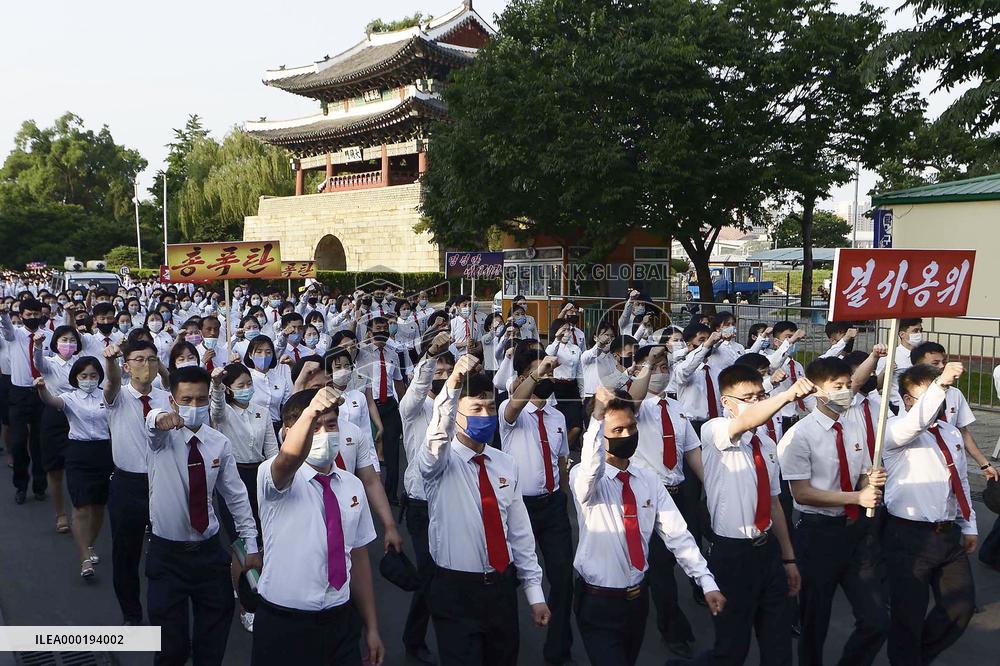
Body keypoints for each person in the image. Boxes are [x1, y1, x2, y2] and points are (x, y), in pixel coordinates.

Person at [572, 386, 724, 666]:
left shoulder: (648, 479)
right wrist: (596, 417)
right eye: (617, 430)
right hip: (598, 602)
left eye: (631, 427)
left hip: (637, 600)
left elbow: (677, 533)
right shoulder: (583, 478)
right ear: (597, 435)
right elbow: (591, 470)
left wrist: (705, 581)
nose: (627, 435)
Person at [418, 354, 551, 665]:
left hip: (501, 589)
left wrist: (535, 594)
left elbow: (519, 531)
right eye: (475, 409)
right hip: (455, 589)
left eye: (490, 408)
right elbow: (436, 439)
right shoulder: (440, 462)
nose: (485, 415)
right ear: (456, 415)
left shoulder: (505, 463)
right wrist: (451, 388)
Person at [251, 387, 385, 664]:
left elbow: (357, 558)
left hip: (340, 620)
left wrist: (371, 627)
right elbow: (287, 459)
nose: (324, 434)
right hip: (284, 621)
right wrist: (311, 411)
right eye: (314, 427)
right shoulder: (274, 478)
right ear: (288, 432)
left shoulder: (352, 486)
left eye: (331, 425)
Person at [696, 364, 812, 666]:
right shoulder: (716, 430)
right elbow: (745, 420)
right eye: (749, 397)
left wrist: (788, 559)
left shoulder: (767, 444)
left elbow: (774, 503)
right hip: (733, 555)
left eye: (761, 395)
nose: (758, 402)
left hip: (767, 551)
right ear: (727, 402)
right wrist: (787, 395)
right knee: (732, 648)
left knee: (778, 645)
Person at [145, 365, 261, 666]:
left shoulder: (218, 443)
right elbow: (151, 424)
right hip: (167, 555)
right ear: (172, 401)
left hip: (208, 553)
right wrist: (158, 418)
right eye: (186, 400)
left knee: (212, 638)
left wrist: (251, 543)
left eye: (200, 400)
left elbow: (235, 496)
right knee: (171, 646)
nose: (193, 407)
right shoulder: (161, 439)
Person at [777, 356, 888, 665]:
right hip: (818, 536)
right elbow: (802, 493)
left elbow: (864, 472)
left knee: (877, 619)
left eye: (847, 385)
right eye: (837, 386)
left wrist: (871, 479)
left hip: (855, 534)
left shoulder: (854, 423)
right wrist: (857, 497)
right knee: (814, 622)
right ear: (816, 390)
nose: (845, 392)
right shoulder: (798, 436)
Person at [882, 362, 977, 665]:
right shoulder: (895, 431)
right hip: (908, 536)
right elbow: (915, 424)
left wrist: (969, 523)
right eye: (927, 396)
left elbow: (960, 480)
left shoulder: (951, 433)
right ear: (908, 401)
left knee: (961, 606)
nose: (938, 402)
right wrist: (943, 384)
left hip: (948, 534)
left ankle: (917, 657)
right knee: (907, 615)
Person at [627, 344, 704, 657]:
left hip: (680, 493)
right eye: (653, 367)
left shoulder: (676, 408)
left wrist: (710, 487)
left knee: (684, 553)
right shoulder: (635, 405)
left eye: (663, 366)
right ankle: (672, 630)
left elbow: (692, 452)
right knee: (660, 566)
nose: (661, 372)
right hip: (649, 497)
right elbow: (633, 399)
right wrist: (646, 367)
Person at [500, 350, 573, 665]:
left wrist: (562, 493)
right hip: (519, 509)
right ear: (520, 378)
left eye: (548, 371)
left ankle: (558, 650)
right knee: (508, 580)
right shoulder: (509, 410)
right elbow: (514, 408)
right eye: (537, 372)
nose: (546, 376)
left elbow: (561, 460)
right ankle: (503, 650)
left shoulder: (558, 416)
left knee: (563, 580)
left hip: (553, 506)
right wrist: (536, 373)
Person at [104, 340, 170, 625]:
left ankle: (166, 616)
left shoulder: (166, 398)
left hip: (164, 482)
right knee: (126, 554)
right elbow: (111, 384)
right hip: (128, 484)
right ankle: (131, 613)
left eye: (152, 360)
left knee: (167, 552)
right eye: (140, 360)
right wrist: (110, 362)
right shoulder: (118, 396)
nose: (147, 365)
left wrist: (162, 367)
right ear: (127, 366)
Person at [209, 362, 279, 632]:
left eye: (249, 384)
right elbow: (215, 407)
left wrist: (277, 479)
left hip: (260, 476)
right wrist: (215, 384)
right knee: (241, 540)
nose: (247, 389)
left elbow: (272, 451)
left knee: (261, 537)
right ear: (229, 389)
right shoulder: (223, 413)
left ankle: (256, 584)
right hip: (232, 477)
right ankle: (247, 606)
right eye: (240, 386)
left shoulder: (262, 412)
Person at [397, 331, 453, 664]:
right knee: (430, 571)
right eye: (437, 370)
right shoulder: (413, 409)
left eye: (448, 371)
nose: (442, 376)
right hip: (420, 502)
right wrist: (431, 354)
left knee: (450, 570)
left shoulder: (456, 406)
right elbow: (418, 388)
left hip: (451, 499)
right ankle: (414, 638)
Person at [36, 356, 114, 579]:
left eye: (93, 376)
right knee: (81, 507)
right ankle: (84, 558)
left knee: (98, 507)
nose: (89, 380)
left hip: (103, 452)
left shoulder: (106, 396)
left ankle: (89, 544)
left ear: (99, 377)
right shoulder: (69, 398)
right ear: (76, 378)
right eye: (84, 376)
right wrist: (41, 389)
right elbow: (51, 401)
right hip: (78, 453)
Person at [909, 340, 999, 481]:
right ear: (918, 366)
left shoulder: (954, 393)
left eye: (943, 362)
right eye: (935, 363)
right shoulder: (912, 395)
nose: (942, 366)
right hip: (926, 469)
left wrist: (984, 464)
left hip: (955, 466)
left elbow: (963, 432)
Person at [0, 299, 50, 503]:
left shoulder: (49, 335)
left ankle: (40, 486)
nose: (32, 318)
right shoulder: (15, 335)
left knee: (39, 443)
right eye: (28, 315)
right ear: (21, 316)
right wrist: (3, 315)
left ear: (41, 315)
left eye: (36, 314)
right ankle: (21, 486)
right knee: (19, 442)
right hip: (19, 393)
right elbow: (7, 329)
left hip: (41, 392)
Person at [34, 325, 83, 532]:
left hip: (78, 415)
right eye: (64, 340)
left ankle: (79, 512)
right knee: (55, 469)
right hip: (54, 416)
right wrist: (37, 345)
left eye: (72, 340)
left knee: (78, 467)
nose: (68, 344)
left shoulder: (81, 364)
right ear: (55, 343)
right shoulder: (50, 363)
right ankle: (60, 514)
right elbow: (38, 362)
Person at [356, 318, 404, 504]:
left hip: (390, 405)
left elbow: (398, 383)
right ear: (370, 332)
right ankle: (365, 494)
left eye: (385, 328)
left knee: (393, 452)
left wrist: (406, 407)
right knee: (366, 449)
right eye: (378, 328)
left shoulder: (393, 354)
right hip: (369, 404)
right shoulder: (362, 354)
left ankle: (390, 494)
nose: (382, 331)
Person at [875, 317, 924, 413]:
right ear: (902, 334)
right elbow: (877, 385)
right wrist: (886, 370)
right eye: (915, 331)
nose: (919, 334)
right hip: (898, 407)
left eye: (921, 330)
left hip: (921, 406)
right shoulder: (890, 355)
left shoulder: (923, 355)